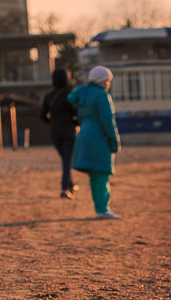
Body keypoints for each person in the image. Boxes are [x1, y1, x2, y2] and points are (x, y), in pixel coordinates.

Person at [67, 66, 121, 220]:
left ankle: (100, 208)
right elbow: (107, 121)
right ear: (103, 81)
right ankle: (103, 209)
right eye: (108, 81)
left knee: (93, 176)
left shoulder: (82, 93)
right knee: (103, 174)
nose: (109, 84)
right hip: (98, 136)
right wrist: (114, 141)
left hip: (84, 134)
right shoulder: (101, 95)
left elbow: (71, 100)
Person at [39, 67, 78, 199]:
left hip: (54, 132)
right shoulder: (69, 95)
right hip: (68, 131)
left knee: (65, 159)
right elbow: (76, 113)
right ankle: (65, 188)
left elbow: (42, 115)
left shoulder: (48, 96)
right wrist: (75, 123)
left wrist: (52, 123)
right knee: (67, 160)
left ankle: (70, 184)